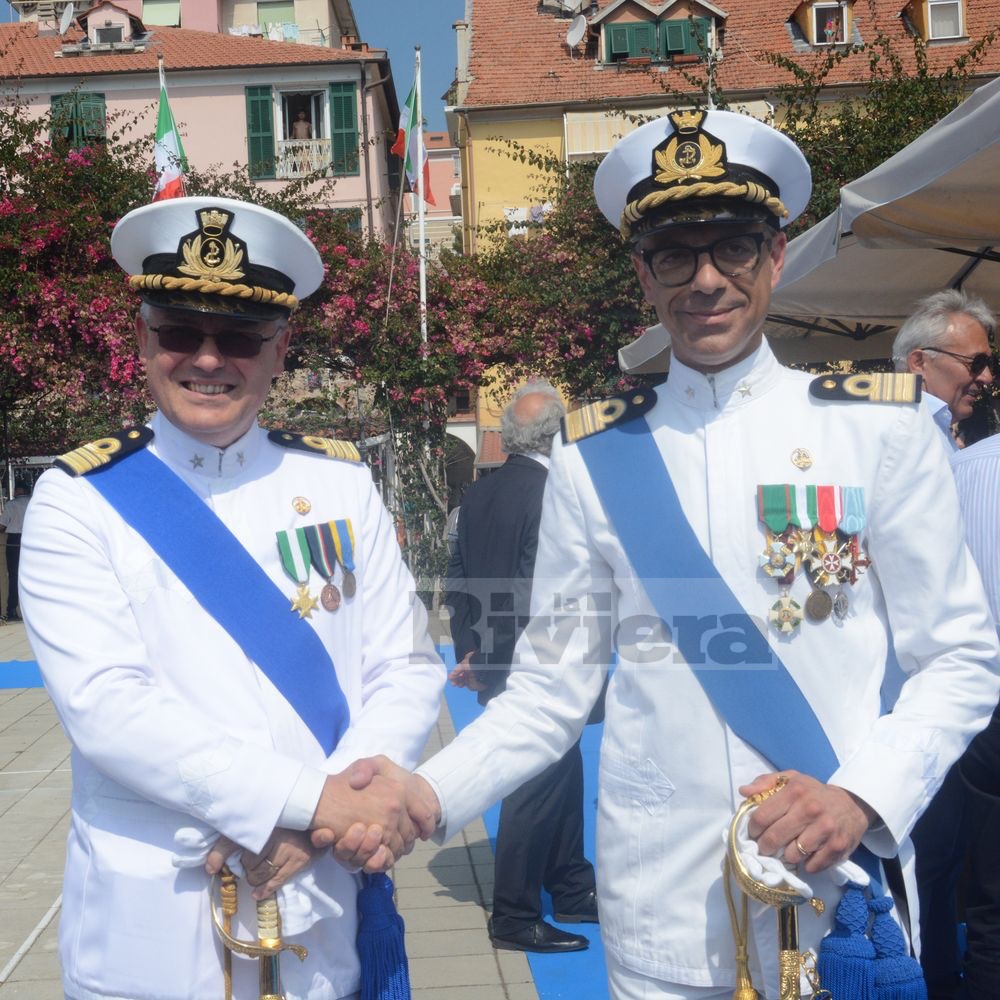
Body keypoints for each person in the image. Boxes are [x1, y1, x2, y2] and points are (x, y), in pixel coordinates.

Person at [351, 110, 1000, 998]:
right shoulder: (592, 458)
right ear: (641, 274)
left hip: (834, 889)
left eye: (733, 247)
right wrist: (423, 794)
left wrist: (864, 797)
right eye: (673, 254)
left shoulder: (878, 430)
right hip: (663, 908)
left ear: (775, 257)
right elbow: (548, 690)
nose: (706, 279)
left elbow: (959, 658)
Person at [18, 196, 444, 1000]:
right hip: (162, 929)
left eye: (240, 338)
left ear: (279, 351)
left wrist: (339, 815)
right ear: (143, 342)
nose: (208, 359)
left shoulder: (339, 482)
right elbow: (110, 709)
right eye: (181, 331)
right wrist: (311, 801)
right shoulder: (78, 499)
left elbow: (405, 667)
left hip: (323, 903)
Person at [446, 380, 598, 954]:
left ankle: (571, 884)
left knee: (564, 771)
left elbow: (459, 577)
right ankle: (513, 913)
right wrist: (490, 659)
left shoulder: (481, 493)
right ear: (556, 433)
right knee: (533, 783)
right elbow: (530, 593)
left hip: (498, 654)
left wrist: (471, 652)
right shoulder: (550, 491)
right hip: (537, 663)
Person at [917, 428, 1000, 1000]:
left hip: (968, 699)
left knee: (952, 874)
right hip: (968, 696)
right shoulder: (959, 465)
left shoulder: (963, 467)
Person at [891, 289, 996, 450]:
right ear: (919, 363)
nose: (987, 377)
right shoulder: (896, 435)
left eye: (989, 362)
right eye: (977, 362)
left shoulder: (931, 431)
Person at [0, 484, 30, 622]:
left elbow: (3, 524)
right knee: (30, 576)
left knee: (13, 576)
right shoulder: (33, 502)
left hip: (14, 541)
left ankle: (12, 609)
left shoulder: (11, 504)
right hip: (31, 540)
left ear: (19, 491)